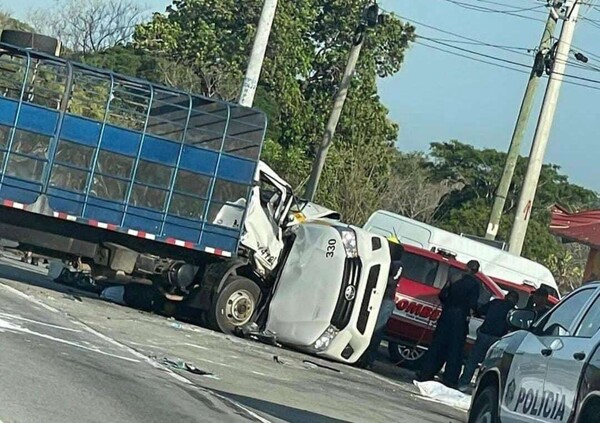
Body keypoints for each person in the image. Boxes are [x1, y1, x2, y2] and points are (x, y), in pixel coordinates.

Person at [416, 260, 481, 389]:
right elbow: (473, 304)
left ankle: (426, 373)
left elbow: (442, 294)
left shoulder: (454, 276)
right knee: (455, 350)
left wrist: (448, 304)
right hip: (460, 318)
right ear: (476, 271)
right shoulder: (475, 284)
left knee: (437, 345)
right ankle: (450, 379)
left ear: (466, 266)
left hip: (446, 315)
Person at [458, 290, 519, 391]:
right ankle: (479, 387)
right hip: (497, 339)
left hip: (484, 334)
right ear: (516, 301)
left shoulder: (495, 303)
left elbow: (480, 311)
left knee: (473, 361)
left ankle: (463, 383)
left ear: (506, 296)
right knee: (489, 364)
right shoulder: (513, 311)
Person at [359, 242, 404, 369]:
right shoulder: (385, 261)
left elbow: (390, 281)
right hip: (377, 298)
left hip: (386, 301)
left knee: (376, 331)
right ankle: (362, 356)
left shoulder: (397, 265)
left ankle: (368, 360)